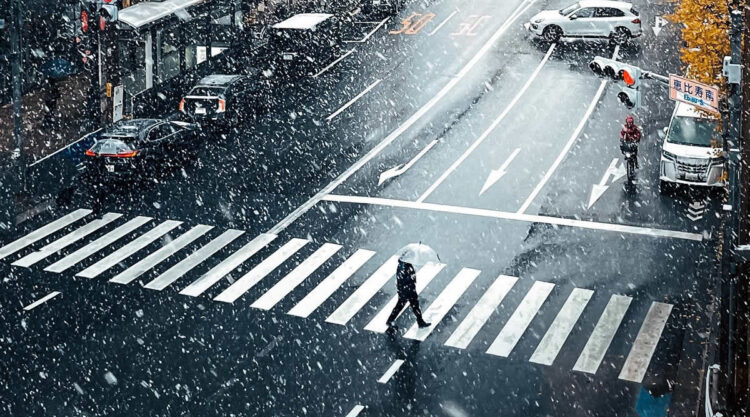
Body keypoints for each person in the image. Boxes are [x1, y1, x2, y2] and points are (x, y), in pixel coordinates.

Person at [386, 261, 431, 332]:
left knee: (413, 305)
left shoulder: (406, 265)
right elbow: (403, 279)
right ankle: (390, 320)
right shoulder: (403, 267)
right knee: (405, 305)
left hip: (408, 289)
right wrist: (411, 278)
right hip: (407, 290)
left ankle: (420, 321)